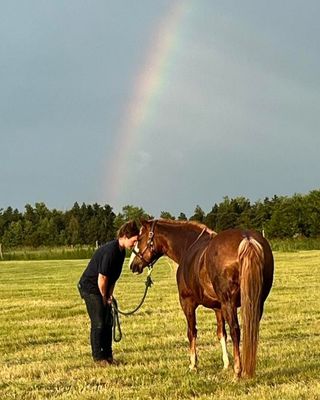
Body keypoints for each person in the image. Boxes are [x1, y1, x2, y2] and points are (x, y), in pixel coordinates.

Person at [77, 220, 139, 365]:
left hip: (102, 288)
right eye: (134, 240)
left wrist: (110, 295)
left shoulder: (121, 252)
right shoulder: (110, 251)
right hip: (91, 288)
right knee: (99, 322)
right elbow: (102, 278)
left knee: (108, 322)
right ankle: (99, 358)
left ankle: (108, 356)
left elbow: (113, 277)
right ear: (124, 236)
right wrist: (104, 297)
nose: (135, 244)